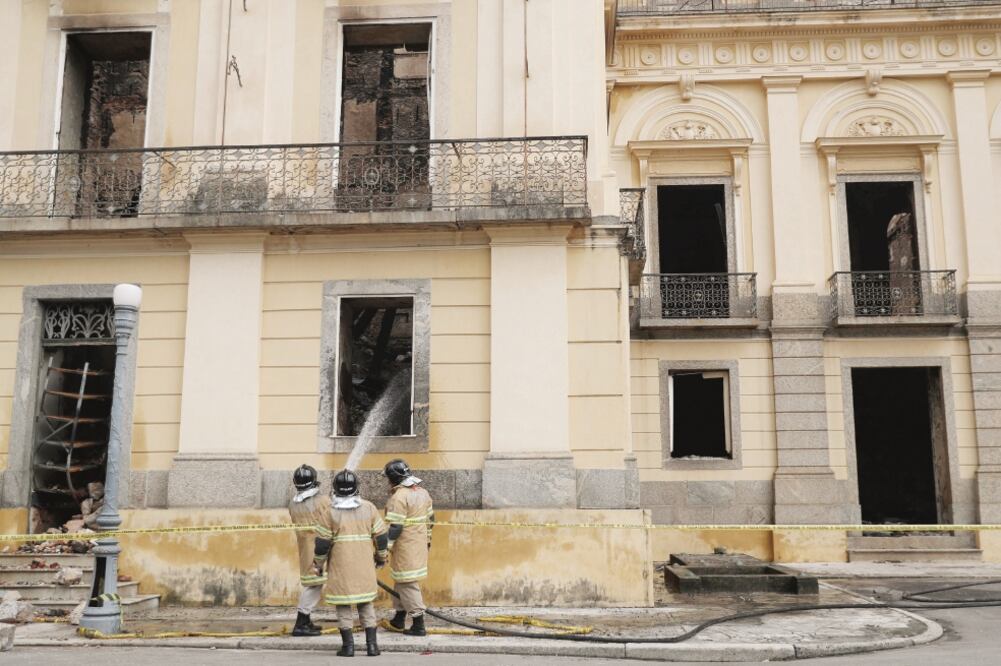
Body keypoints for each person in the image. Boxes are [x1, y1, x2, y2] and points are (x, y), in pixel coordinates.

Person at [312, 469, 388, 657]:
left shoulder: (329, 512)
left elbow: (322, 544)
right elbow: (381, 536)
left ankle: (348, 647)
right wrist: (381, 557)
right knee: (366, 604)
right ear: (356, 488)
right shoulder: (369, 508)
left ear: (335, 489)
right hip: (364, 567)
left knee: (344, 606)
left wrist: (318, 565)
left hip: (340, 568)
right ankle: (372, 647)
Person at [383, 459, 434, 637]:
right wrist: (428, 539)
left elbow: (395, 527)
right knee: (401, 581)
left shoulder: (399, 497)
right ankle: (399, 618)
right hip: (418, 544)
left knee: (408, 583)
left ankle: (418, 624)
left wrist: (384, 548)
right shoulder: (423, 492)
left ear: (393, 478)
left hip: (406, 546)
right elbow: (431, 519)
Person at [288, 464, 330, 637]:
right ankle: (301, 622)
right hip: (321, 549)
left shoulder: (293, 503)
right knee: (314, 586)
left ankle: (306, 621)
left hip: (306, 549)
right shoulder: (323, 501)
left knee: (312, 584)